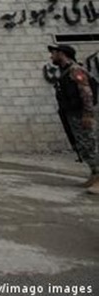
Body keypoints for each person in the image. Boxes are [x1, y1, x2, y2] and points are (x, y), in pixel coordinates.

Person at [48, 44, 98, 193]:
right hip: (73, 114)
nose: (51, 56)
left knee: (90, 144)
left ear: (62, 54)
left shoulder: (75, 70)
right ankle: (94, 175)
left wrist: (88, 114)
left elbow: (87, 93)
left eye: (54, 53)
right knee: (83, 145)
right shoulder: (64, 72)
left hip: (82, 114)